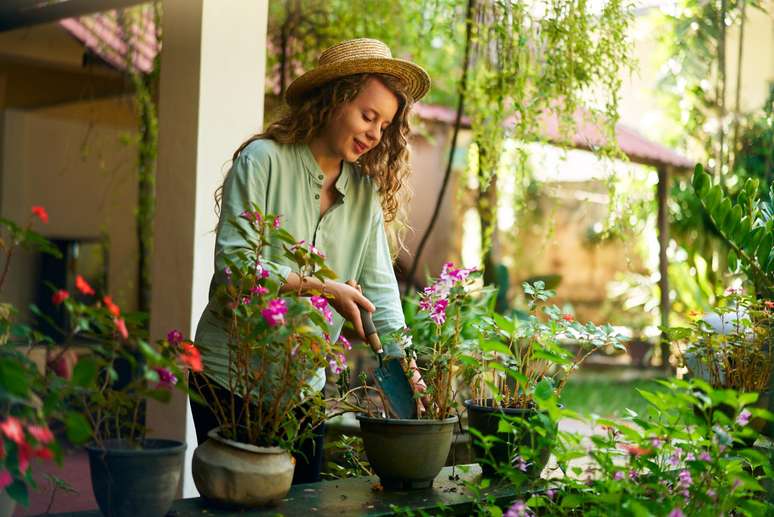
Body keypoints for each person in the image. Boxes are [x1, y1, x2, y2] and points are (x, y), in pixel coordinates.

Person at [191, 38, 430, 484]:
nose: (375, 134)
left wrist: (407, 367)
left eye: (384, 125)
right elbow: (234, 268)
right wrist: (323, 289)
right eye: (368, 116)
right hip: (229, 377)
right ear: (332, 100)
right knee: (237, 506)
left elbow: (380, 294)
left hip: (303, 389)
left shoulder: (364, 194)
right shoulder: (262, 161)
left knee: (305, 503)